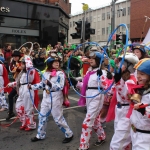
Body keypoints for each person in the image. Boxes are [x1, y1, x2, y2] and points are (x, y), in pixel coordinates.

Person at [29, 53, 73, 143]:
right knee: (42, 117)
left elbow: (60, 86)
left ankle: (69, 134)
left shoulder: (60, 73)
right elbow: (42, 84)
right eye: (55, 62)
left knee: (58, 119)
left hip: (56, 97)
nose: (57, 63)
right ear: (50, 63)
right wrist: (32, 87)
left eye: (58, 62)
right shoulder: (45, 73)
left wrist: (49, 83)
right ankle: (40, 135)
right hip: (46, 97)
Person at [72, 51, 110, 150]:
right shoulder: (89, 72)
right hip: (89, 97)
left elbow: (106, 87)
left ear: (99, 61)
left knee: (87, 122)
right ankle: (102, 137)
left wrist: (101, 77)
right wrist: (76, 83)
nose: (91, 60)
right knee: (95, 120)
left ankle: (83, 146)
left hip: (97, 98)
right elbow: (86, 86)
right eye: (90, 58)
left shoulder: (103, 72)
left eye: (93, 59)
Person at [109, 53, 139, 150]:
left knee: (116, 146)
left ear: (129, 66)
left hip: (127, 114)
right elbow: (109, 90)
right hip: (119, 111)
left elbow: (127, 96)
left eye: (121, 63)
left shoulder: (132, 80)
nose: (118, 65)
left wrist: (118, 80)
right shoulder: (123, 78)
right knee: (123, 144)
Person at [7, 55, 40, 131]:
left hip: (28, 89)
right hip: (21, 89)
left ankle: (31, 125)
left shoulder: (31, 70)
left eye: (23, 63)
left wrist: (27, 59)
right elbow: (20, 82)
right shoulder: (22, 72)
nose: (21, 65)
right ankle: (24, 122)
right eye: (21, 63)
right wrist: (12, 84)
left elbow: (29, 70)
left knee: (28, 108)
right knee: (19, 107)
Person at [128, 58, 150, 150]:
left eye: (142, 74)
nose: (138, 76)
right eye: (138, 73)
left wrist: (144, 110)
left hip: (146, 138)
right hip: (136, 133)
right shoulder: (141, 90)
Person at [6, 50, 22, 120]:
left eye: (16, 57)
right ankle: (11, 112)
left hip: (22, 84)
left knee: (20, 99)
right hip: (16, 83)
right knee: (10, 96)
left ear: (19, 57)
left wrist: (19, 69)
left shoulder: (22, 63)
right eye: (14, 57)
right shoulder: (13, 64)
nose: (15, 58)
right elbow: (12, 70)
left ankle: (23, 113)